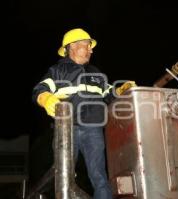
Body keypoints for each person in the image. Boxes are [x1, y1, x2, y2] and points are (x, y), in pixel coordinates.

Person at [32, 28, 136, 199]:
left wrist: (121, 90)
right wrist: (46, 99)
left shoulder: (96, 73)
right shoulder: (57, 71)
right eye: (87, 45)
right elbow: (40, 89)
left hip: (93, 129)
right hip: (66, 129)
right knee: (64, 175)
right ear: (73, 46)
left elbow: (109, 94)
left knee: (100, 178)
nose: (91, 49)